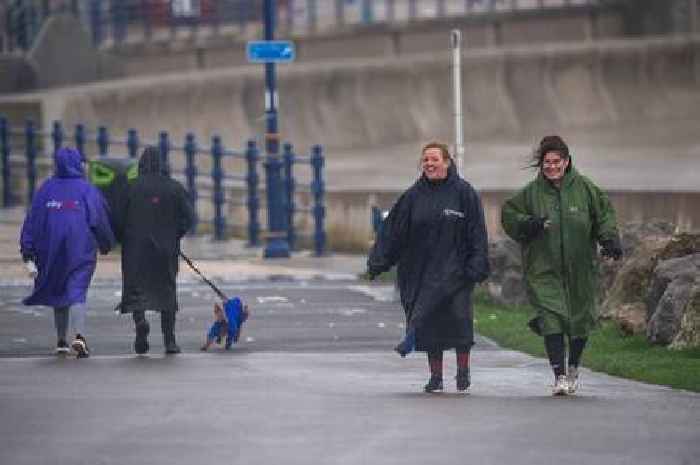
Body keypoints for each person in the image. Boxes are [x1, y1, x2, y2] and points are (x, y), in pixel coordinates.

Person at [501, 135, 622, 396]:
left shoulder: (586, 188)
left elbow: (604, 215)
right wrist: (529, 223)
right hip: (543, 268)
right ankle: (560, 377)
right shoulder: (531, 194)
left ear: (566, 162)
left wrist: (609, 239)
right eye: (547, 162)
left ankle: (574, 367)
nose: (552, 166)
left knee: (581, 319)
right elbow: (509, 215)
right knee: (551, 319)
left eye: (557, 161)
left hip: (580, 268)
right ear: (541, 164)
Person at [367, 141, 490, 394]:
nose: (430, 164)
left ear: (447, 162)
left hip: (457, 273)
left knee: (459, 321)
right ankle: (436, 377)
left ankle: (463, 370)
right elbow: (393, 233)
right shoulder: (412, 197)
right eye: (425, 160)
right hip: (421, 272)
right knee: (429, 323)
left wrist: (476, 264)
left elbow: (477, 232)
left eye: (435, 159)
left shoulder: (464, 193)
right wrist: (378, 261)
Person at [19, 147, 115, 358]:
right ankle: (79, 336)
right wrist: (106, 243)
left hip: (50, 248)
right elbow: (98, 218)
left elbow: (32, 220)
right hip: (80, 247)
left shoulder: (45, 190)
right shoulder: (87, 190)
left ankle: (61, 340)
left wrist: (27, 251)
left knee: (57, 289)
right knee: (76, 290)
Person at [118, 146, 194, 355]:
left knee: (136, 289)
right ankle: (170, 340)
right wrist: (174, 235)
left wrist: (118, 240)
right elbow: (188, 218)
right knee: (166, 291)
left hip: (135, 250)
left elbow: (118, 219)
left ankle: (140, 322)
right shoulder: (175, 188)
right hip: (165, 249)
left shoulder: (130, 188)